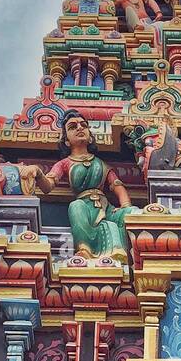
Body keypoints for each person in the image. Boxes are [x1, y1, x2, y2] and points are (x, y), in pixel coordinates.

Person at [39, 109, 132, 262]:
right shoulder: (64, 164)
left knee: (133, 212)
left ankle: (136, 250)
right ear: (66, 140)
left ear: (90, 136)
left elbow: (117, 186)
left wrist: (125, 205)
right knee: (75, 206)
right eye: (72, 127)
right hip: (85, 207)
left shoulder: (101, 164)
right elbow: (48, 186)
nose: (80, 128)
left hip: (106, 208)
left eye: (83, 125)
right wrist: (37, 172)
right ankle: (84, 249)